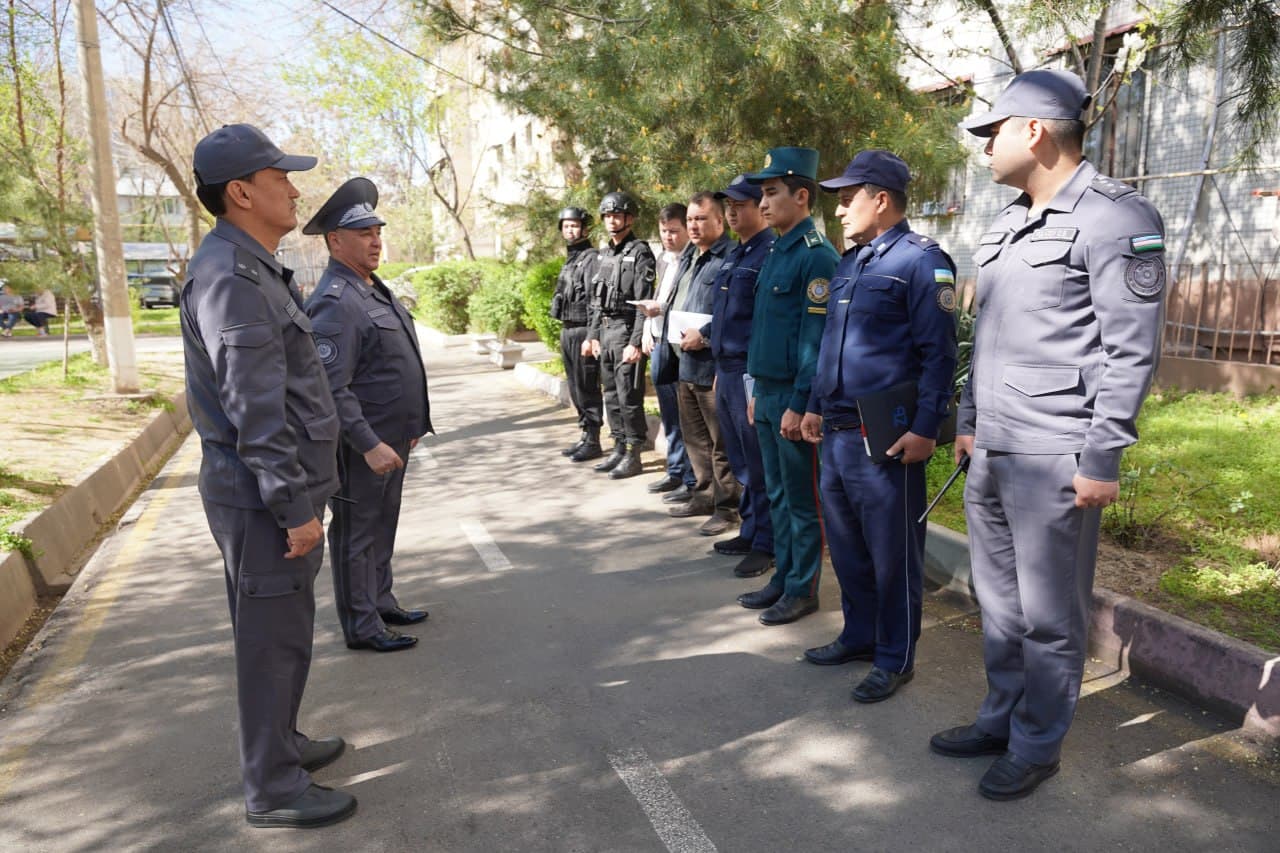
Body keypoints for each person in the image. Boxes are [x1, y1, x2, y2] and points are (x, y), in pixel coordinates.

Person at [929, 69, 1168, 801]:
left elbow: (1130, 350)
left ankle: (1037, 744)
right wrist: (970, 424)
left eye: (992, 132)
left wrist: (1102, 456)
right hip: (993, 449)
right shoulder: (1007, 222)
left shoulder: (1114, 218)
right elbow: (990, 336)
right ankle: (1001, 717)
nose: (985, 148)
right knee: (998, 604)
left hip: (1055, 452)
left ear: (1034, 130)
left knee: (1050, 614)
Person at [181, 123, 355, 828]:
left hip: (276, 494)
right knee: (269, 645)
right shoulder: (231, 276)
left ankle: (283, 744)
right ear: (242, 192)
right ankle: (274, 786)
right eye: (280, 177)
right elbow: (254, 409)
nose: (293, 189)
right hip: (263, 503)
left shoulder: (251, 267)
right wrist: (292, 507)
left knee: (285, 634)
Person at [800, 150, 957, 703]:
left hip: (887, 437)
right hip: (838, 431)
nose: (840, 211)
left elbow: (938, 355)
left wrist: (925, 427)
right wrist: (815, 403)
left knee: (894, 555)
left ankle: (895, 657)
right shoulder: (851, 263)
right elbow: (830, 345)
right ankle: (859, 635)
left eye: (848, 200)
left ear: (881, 200)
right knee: (847, 548)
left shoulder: (922, 262)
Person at [303, 178, 432, 654]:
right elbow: (331, 387)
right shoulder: (335, 301)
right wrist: (368, 442)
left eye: (377, 232)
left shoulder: (369, 288)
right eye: (364, 234)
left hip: (391, 436)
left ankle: (380, 600)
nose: (376, 241)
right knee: (357, 532)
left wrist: (409, 425)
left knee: (382, 523)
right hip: (362, 445)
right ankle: (361, 624)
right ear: (335, 241)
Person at [737, 147, 840, 625]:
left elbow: (814, 341)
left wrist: (801, 403)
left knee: (801, 498)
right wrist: (755, 389)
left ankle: (803, 588)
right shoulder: (777, 251)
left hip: (793, 397)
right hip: (767, 392)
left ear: (801, 196)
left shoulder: (816, 257)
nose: (763, 203)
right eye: (761, 193)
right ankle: (783, 575)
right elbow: (763, 330)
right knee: (776, 493)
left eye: (771, 192)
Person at [709, 175, 776, 578]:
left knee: (758, 461)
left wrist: (751, 380)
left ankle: (766, 542)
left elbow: (761, 325)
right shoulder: (738, 254)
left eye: (740, 205)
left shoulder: (768, 253)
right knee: (741, 459)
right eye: (729, 206)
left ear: (759, 207)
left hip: (749, 371)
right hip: (727, 370)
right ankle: (750, 529)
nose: (732, 213)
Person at [585, 191, 655, 479]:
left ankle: (634, 453)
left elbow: (643, 303)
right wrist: (593, 335)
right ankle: (617, 446)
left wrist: (635, 342)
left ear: (630, 218)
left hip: (626, 331)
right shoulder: (604, 254)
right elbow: (595, 302)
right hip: (605, 330)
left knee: (629, 396)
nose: (612, 221)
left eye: (617, 215)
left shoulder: (640, 253)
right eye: (608, 216)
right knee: (611, 394)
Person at [642, 204, 697, 502]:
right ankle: (675, 469)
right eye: (664, 231)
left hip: (680, 344)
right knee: (669, 414)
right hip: (658, 340)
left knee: (686, 416)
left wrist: (660, 310)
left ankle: (691, 478)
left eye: (674, 231)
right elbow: (658, 295)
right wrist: (646, 330)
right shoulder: (663, 259)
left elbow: (683, 303)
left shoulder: (693, 260)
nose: (668, 237)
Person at [552, 206, 604, 462]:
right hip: (568, 328)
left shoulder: (591, 258)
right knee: (575, 387)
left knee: (587, 386)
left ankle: (593, 440)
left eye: (574, 226)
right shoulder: (572, 258)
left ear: (584, 229)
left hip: (583, 329)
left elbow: (595, 301)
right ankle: (585, 434)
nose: (570, 230)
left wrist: (591, 336)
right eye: (566, 226)